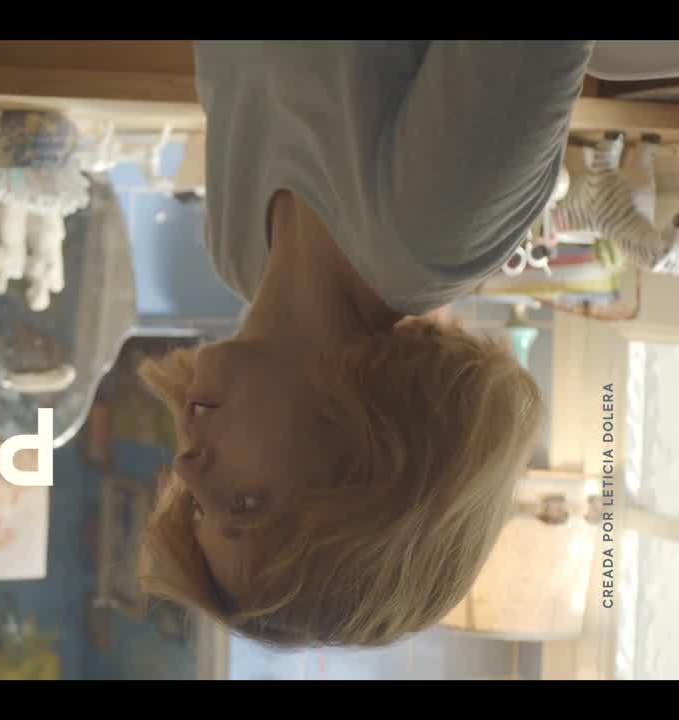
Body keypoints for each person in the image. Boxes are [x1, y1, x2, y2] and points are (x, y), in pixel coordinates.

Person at [136, 41, 595, 648]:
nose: (188, 470)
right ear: (366, 460)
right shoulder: (434, 229)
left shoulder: (236, 248)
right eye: (244, 502)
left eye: (199, 510)